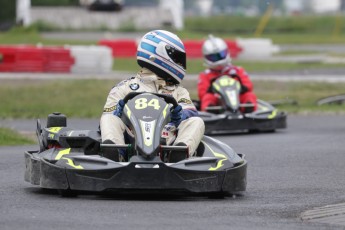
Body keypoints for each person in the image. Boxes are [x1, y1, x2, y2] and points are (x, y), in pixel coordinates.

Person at [100, 30, 205, 162]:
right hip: (132, 140)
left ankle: (179, 155)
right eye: (177, 58)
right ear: (160, 54)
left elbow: (191, 113)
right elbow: (106, 120)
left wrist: (180, 116)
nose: (180, 64)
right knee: (109, 118)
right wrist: (118, 114)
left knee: (197, 122)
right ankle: (115, 155)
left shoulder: (178, 91)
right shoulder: (124, 88)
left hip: (167, 141)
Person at [198, 35, 257, 112]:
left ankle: (249, 111)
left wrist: (243, 88)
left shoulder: (237, 70)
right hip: (217, 99)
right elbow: (202, 93)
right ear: (207, 58)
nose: (218, 60)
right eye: (213, 57)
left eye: (221, 55)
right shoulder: (205, 75)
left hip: (236, 96)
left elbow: (248, 85)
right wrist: (211, 90)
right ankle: (211, 112)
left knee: (249, 95)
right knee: (207, 98)